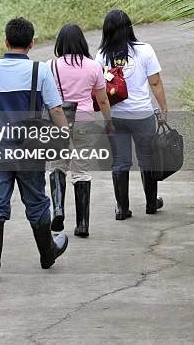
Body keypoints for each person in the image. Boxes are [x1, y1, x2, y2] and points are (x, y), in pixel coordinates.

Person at [0, 17, 69, 283]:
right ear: (31, 44)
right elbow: (56, 109)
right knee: (36, 200)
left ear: (5, 41)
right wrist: (64, 138)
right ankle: (47, 252)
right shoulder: (40, 71)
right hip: (29, 150)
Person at [95, 10, 168, 220]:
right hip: (142, 115)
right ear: (129, 27)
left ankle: (121, 208)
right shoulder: (145, 50)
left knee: (120, 161)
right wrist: (163, 109)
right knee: (147, 158)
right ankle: (151, 203)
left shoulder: (101, 55)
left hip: (116, 115)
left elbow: (99, 90)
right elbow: (155, 82)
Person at [47, 24, 113, 238]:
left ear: (60, 43)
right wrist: (108, 121)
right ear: (82, 42)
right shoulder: (93, 66)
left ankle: (58, 210)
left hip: (58, 121)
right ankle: (82, 224)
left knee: (58, 165)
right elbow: (102, 99)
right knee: (81, 169)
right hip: (84, 121)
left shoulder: (51, 65)